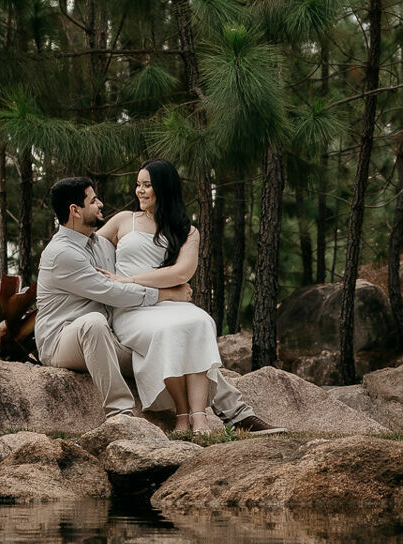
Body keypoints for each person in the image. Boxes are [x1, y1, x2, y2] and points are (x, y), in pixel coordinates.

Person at [98, 159, 275, 434]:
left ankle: (199, 417)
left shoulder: (187, 232)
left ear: (164, 189)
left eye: (147, 185)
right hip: (131, 308)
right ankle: (187, 416)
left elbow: (181, 272)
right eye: (138, 184)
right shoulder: (123, 220)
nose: (140, 191)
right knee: (171, 332)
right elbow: (88, 250)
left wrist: (131, 278)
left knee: (201, 322)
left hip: (170, 304)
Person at [35, 175, 191, 421]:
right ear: (74, 210)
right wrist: (167, 294)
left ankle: (231, 411)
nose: (101, 205)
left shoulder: (101, 245)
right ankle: (120, 414)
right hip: (60, 340)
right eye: (94, 200)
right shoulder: (62, 253)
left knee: (165, 342)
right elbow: (113, 292)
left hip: (107, 339)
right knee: (93, 322)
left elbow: (131, 274)